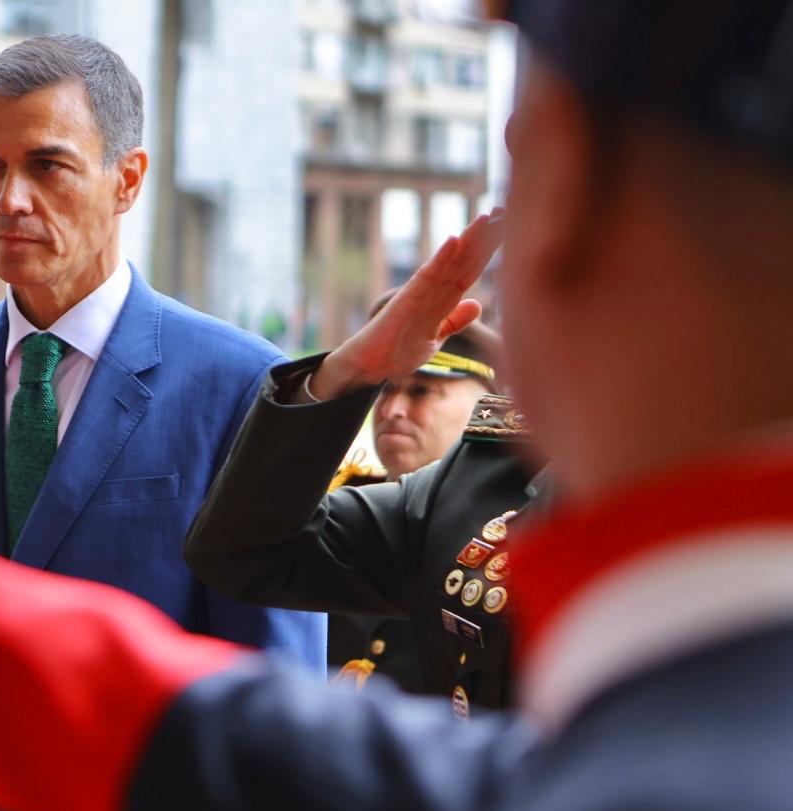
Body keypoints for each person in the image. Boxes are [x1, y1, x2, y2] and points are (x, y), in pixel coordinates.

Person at [0, 0, 793, 811]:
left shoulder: (652, 801)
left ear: (571, 211)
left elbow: (303, 743)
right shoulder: (656, 746)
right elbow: (277, 681)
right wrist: (338, 381)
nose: (8, 200)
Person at [0, 33, 325, 811]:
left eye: (47, 166)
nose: (8, 199)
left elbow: (276, 701)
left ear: (128, 180)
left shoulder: (240, 386)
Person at [184, 273, 538, 709]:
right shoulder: (443, 498)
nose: (392, 410)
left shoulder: (504, 481)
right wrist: (350, 373)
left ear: (489, 397)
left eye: (422, 391)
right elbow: (240, 550)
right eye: (385, 390)